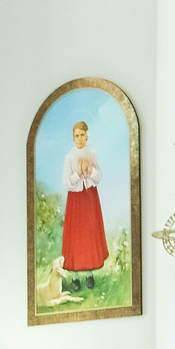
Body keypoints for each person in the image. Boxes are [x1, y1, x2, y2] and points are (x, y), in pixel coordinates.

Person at [58, 120, 109, 292]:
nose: (79, 139)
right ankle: (75, 277)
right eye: (76, 136)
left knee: (89, 235)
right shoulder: (69, 157)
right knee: (76, 238)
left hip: (90, 199)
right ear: (73, 138)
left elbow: (98, 177)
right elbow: (67, 184)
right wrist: (78, 174)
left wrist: (90, 171)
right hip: (76, 201)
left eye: (82, 135)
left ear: (87, 135)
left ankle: (89, 274)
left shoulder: (92, 154)